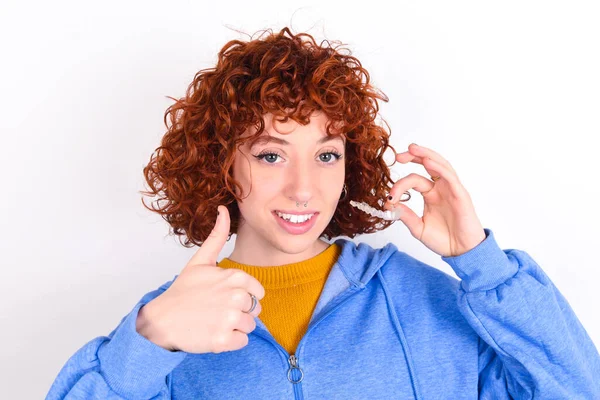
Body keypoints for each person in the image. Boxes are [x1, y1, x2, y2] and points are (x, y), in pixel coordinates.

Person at [46, 27, 600, 399]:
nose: (304, 188)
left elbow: (579, 387)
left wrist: (486, 266)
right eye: (270, 155)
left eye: (326, 155)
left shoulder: (422, 301)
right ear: (222, 165)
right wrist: (145, 341)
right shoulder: (179, 321)